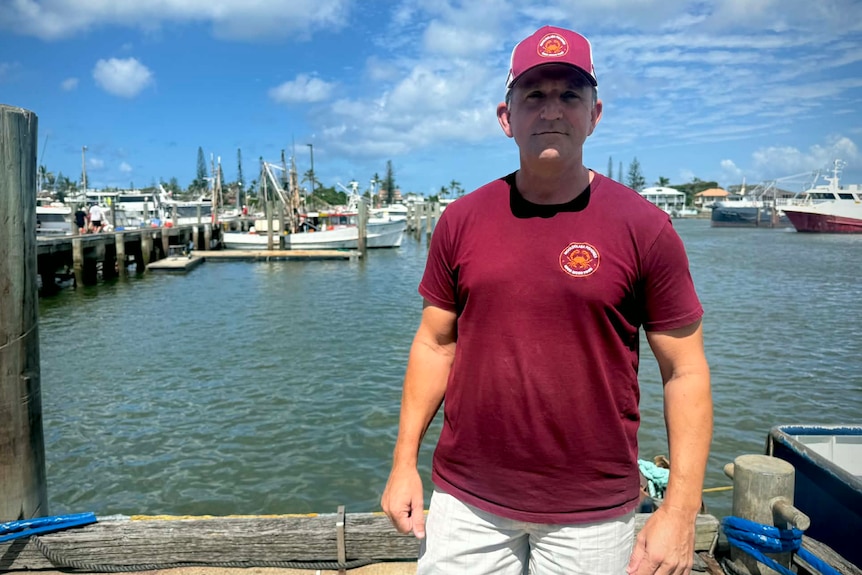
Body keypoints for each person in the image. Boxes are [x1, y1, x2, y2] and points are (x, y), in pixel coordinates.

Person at [381, 25, 712, 575]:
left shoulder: (644, 228)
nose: (552, 110)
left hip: (593, 512)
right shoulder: (460, 221)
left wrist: (679, 510)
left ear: (595, 114)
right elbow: (435, 345)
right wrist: (402, 463)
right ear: (506, 116)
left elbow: (686, 372)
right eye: (534, 95)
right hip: (466, 502)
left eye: (569, 95)